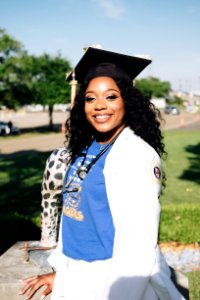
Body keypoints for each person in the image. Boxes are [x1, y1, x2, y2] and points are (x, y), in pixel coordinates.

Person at [19, 47, 187, 300]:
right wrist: (64, 275)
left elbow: (137, 249)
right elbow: (77, 216)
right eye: (90, 98)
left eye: (110, 97)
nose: (99, 106)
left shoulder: (137, 156)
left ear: (126, 101)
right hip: (78, 277)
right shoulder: (87, 148)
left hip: (110, 283)